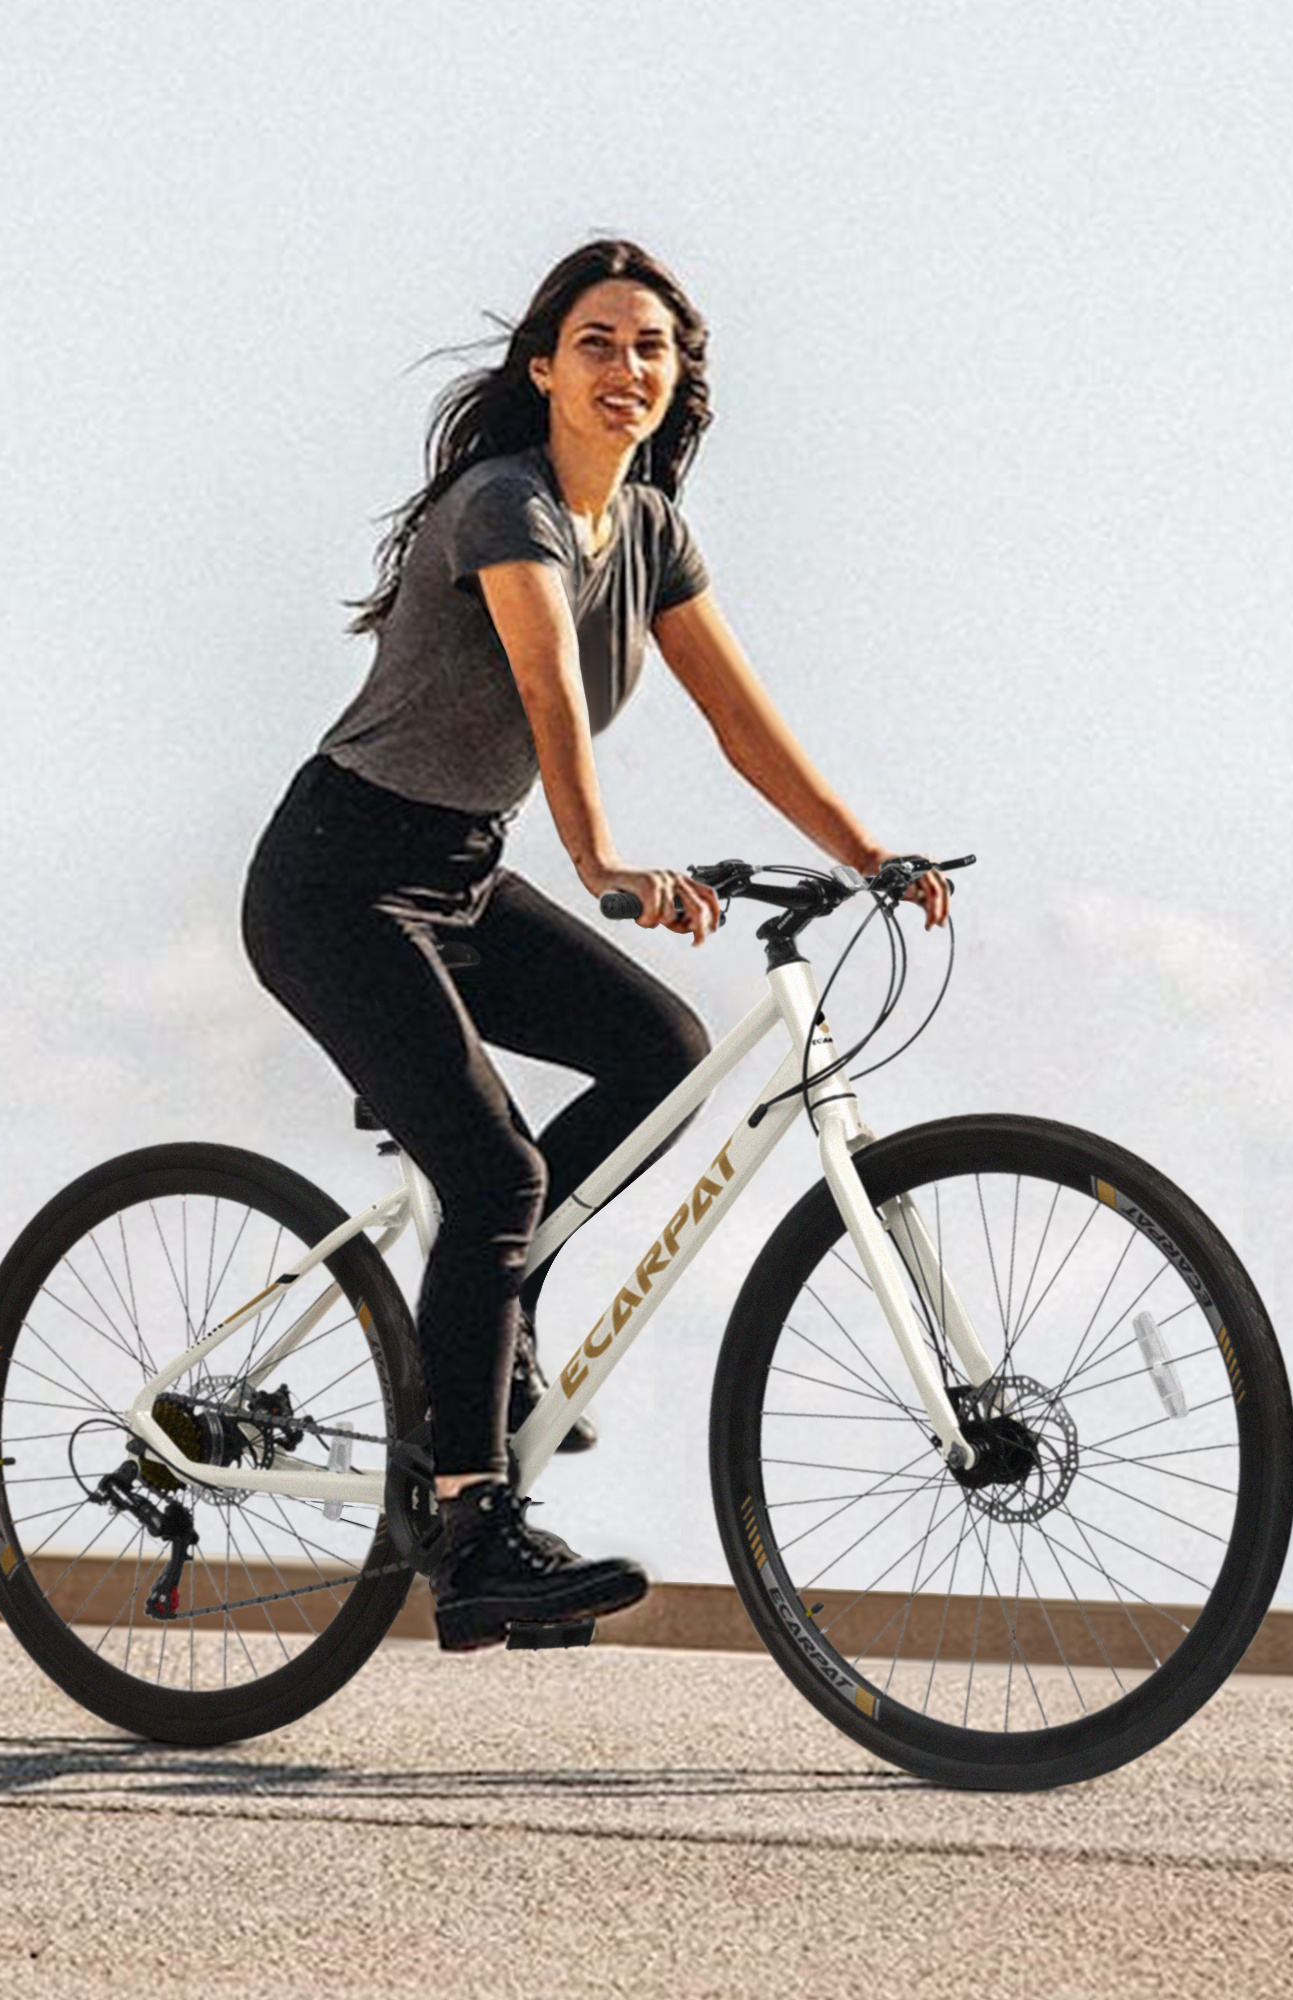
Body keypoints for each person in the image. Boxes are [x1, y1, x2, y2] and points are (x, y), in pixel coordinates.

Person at [241, 239, 946, 1654]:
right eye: (599, 344)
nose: (629, 368)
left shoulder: (652, 532)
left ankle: (492, 1331)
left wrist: (868, 851)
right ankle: (471, 1531)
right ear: (544, 369)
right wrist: (602, 863)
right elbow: (550, 685)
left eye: (652, 348)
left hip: (458, 876)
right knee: (497, 1172)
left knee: (662, 1051)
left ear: (680, 379)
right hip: (337, 881)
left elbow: (739, 719)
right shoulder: (503, 504)